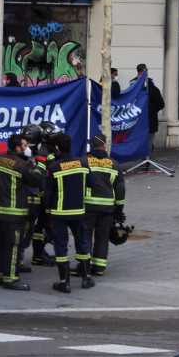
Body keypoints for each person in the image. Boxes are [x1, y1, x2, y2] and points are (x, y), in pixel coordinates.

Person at [0, 132, 43, 291]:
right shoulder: (21, 165)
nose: (27, 148)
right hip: (14, 212)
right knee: (13, 245)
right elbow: (37, 179)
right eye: (25, 146)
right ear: (18, 147)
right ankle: (11, 278)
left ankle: (0, 274)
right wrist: (34, 164)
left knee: (1, 245)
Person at [45, 131, 92, 293]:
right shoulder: (83, 164)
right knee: (82, 242)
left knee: (61, 246)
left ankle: (64, 282)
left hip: (59, 213)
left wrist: (47, 211)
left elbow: (48, 193)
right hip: (79, 211)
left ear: (57, 148)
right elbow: (90, 184)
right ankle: (86, 278)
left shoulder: (53, 167)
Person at [83, 133, 126, 277]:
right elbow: (120, 189)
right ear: (104, 145)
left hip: (88, 206)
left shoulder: (84, 162)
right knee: (102, 237)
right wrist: (119, 209)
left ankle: (84, 265)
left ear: (92, 145)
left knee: (86, 236)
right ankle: (99, 267)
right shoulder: (114, 164)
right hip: (108, 208)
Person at [17, 124, 51, 268]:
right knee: (26, 229)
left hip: (31, 197)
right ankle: (18, 260)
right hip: (30, 198)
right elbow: (39, 176)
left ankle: (36, 253)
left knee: (32, 228)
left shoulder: (27, 151)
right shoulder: (35, 154)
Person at [133, 64, 165, 139]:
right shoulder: (133, 86)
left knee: (148, 144)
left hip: (149, 122)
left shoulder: (152, 88)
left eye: (144, 72)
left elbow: (161, 104)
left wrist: (148, 110)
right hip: (137, 123)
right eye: (140, 72)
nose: (142, 74)